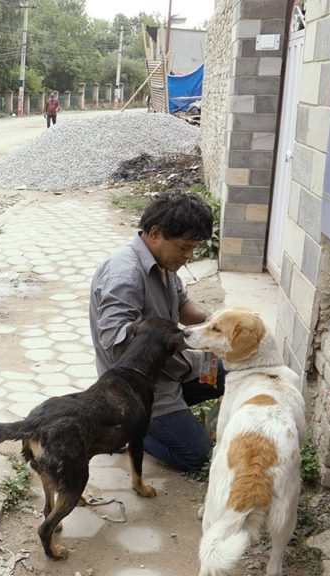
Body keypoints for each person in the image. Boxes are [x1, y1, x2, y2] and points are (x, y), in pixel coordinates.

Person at [89, 192, 223, 472]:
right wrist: (166, 339)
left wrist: (217, 321)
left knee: (231, 370)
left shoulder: (163, 262)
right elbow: (116, 346)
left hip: (172, 369)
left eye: (194, 249)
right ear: (155, 233)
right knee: (197, 456)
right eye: (184, 248)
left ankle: (165, 419)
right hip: (139, 387)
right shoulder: (124, 274)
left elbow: (183, 304)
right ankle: (128, 429)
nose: (188, 257)